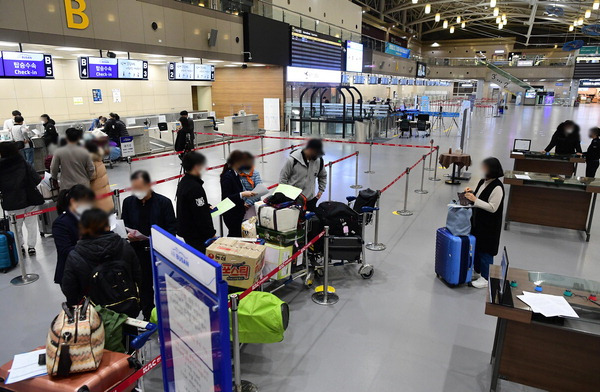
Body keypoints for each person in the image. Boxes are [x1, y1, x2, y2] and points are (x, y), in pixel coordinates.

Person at [61, 208, 141, 317]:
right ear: (107, 226)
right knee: (131, 332)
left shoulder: (75, 256)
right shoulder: (124, 246)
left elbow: (69, 289)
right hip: (127, 307)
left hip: (94, 315)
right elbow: (137, 275)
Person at [122, 170, 177, 320]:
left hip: (159, 252)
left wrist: (156, 239)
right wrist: (128, 236)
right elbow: (124, 224)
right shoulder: (128, 203)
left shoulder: (164, 203)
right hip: (138, 252)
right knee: (143, 286)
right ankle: (148, 315)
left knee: (163, 285)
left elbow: (172, 229)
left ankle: (167, 315)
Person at [464, 157, 505, 289]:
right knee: (477, 248)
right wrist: (471, 194)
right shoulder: (483, 181)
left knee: (486, 251)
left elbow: (493, 207)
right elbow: (479, 197)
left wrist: (474, 199)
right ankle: (477, 272)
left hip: (489, 226)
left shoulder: (498, 187)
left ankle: (486, 278)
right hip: (478, 223)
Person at [0, 142, 43, 256]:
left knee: (16, 226)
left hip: (12, 201)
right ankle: (31, 247)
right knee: (31, 224)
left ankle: (20, 247)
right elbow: (37, 179)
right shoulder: (24, 163)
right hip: (30, 198)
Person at [52, 185, 95, 284]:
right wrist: (91, 245)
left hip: (90, 269)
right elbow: (65, 250)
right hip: (71, 273)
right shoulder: (60, 223)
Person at [176, 152, 216, 252]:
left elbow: (190, 205)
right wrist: (211, 234)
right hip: (197, 236)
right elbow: (201, 216)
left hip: (188, 233)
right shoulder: (195, 188)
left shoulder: (184, 182)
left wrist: (205, 206)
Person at [279, 138, 327, 211]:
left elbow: (323, 176)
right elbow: (283, 179)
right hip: (293, 200)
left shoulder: (319, 161)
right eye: (316, 153)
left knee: (310, 221)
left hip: (310, 200)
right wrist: (286, 197)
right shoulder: (292, 160)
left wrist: (321, 190)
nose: (317, 156)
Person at [221, 150, 257, 237]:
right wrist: (243, 194)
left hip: (237, 212)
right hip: (231, 215)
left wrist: (242, 203)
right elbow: (227, 197)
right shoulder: (227, 177)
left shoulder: (236, 175)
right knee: (235, 235)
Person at [85, 142, 114, 213]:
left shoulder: (92, 162)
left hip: (98, 197)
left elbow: (92, 176)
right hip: (106, 195)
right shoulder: (99, 160)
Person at [239, 152, 263, 219]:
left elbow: (259, 190)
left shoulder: (255, 173)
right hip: (242, 206)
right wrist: (243, 203)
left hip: (254, 205)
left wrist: (248, 203)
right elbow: (239, 191)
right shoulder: (238, 175)